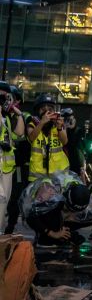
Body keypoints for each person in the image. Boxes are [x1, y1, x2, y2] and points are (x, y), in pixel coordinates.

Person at [23, 173, 92, 246]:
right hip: (30, 205)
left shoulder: (82, 192)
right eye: (68, 209)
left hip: (58, 202)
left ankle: (64, 232)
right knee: (54, 213)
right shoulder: (49, 193)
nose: (71, 215)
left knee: (85, 218)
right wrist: (52, 233)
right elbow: (30, 215)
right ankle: (47, 236)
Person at [4, 86, 32, 234]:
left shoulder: (24, 116)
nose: (7, 100)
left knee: (14, 197)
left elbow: (21, 135)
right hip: (6, 164)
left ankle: (11, 226)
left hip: (19, 166)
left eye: (10, 97)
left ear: (18, 100)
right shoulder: (5, 114)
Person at [28, 94, 69, 183]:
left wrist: (59, 128)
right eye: (43, 109)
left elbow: (64, 141)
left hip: (59, 174)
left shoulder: (59, 124)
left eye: (50, 109)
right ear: (37, 111)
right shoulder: (32, 124)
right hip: (38, 175)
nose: (47, 112)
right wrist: (41, 123)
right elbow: (31, 138)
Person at [0, 83, 25, 229]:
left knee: (4, 201)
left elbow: (20, 132)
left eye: (4, 96)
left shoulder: (8, 117)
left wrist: (18, 113)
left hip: (7, 168)